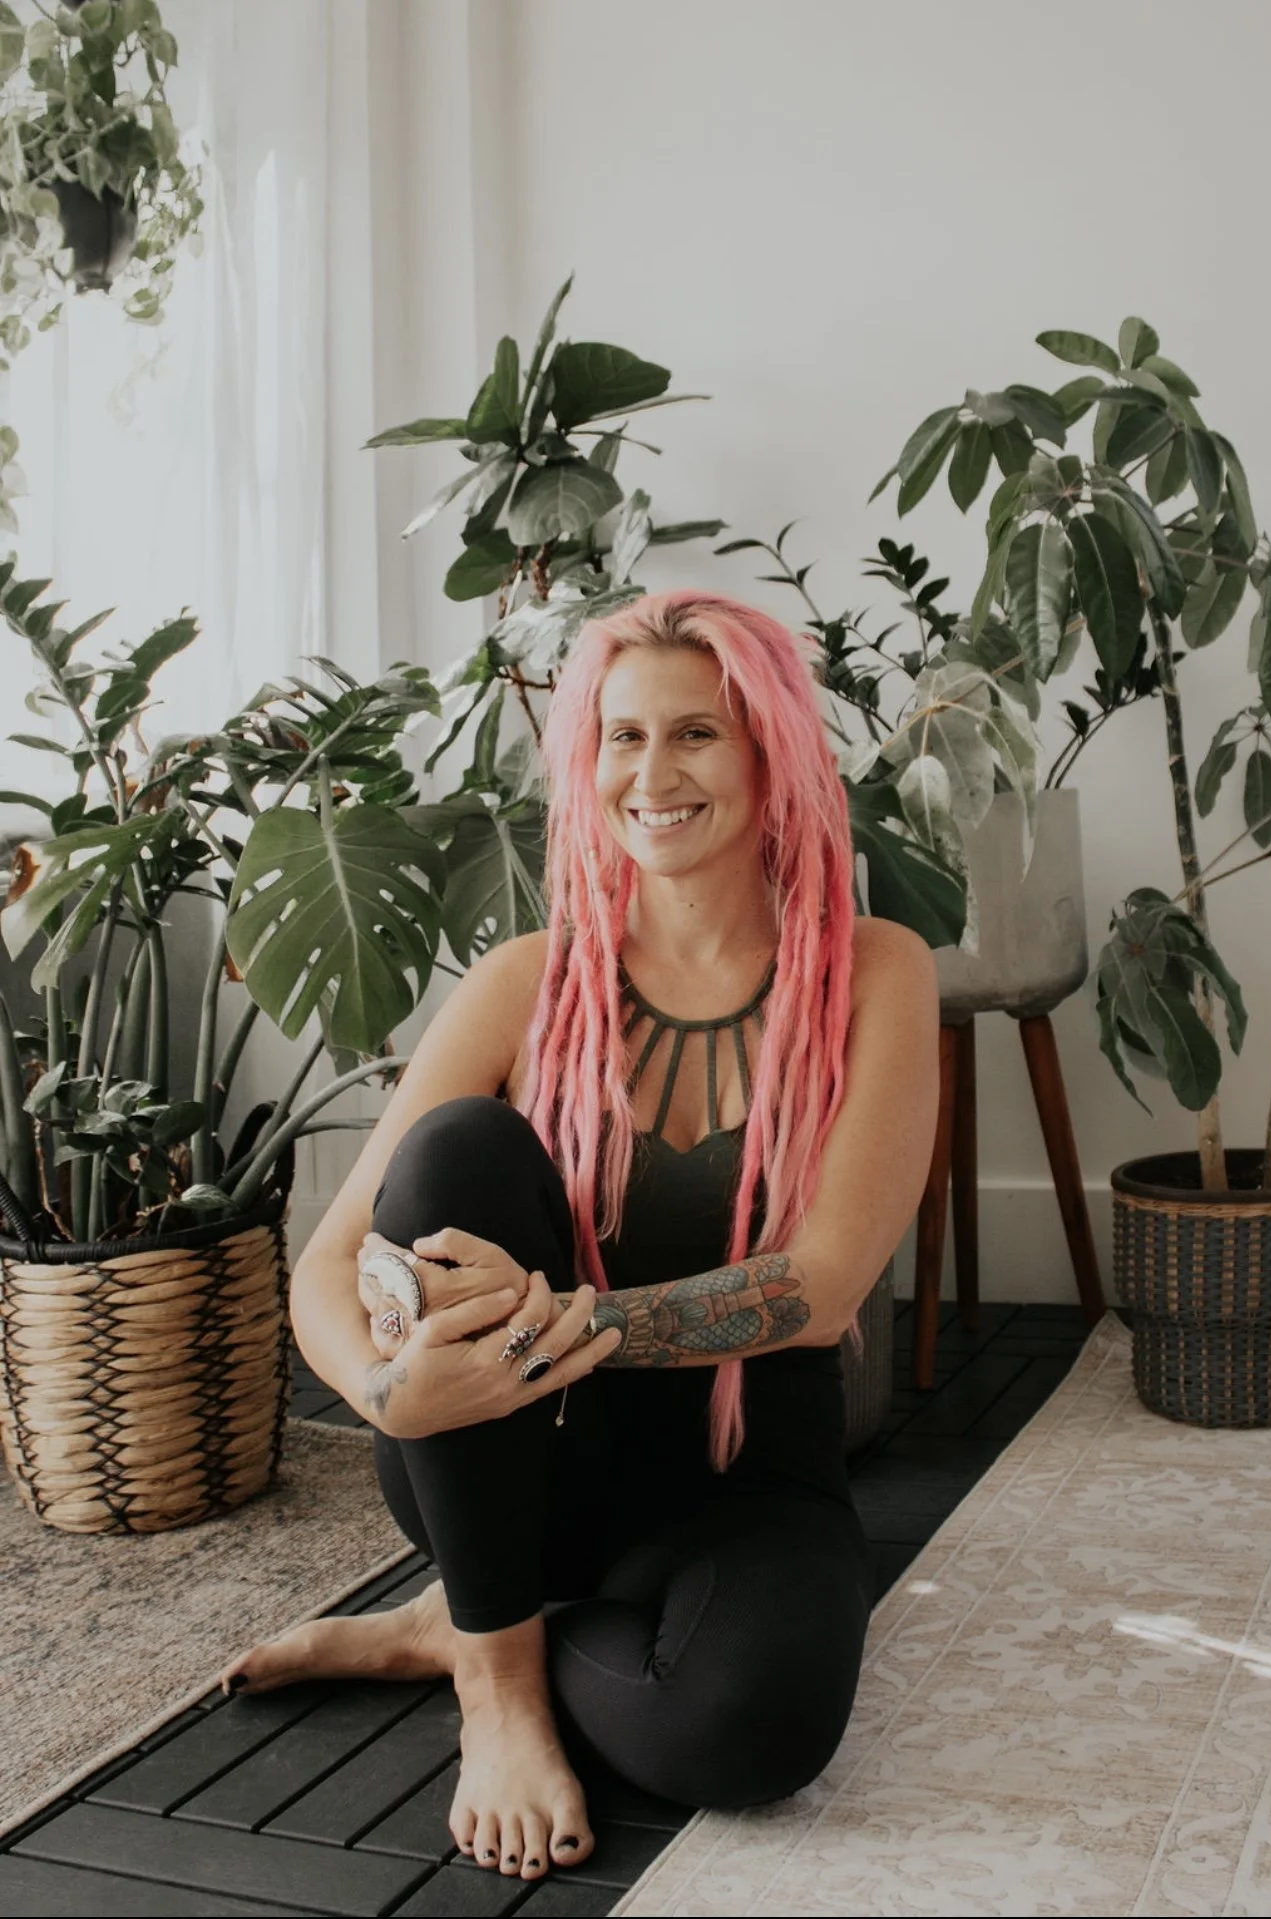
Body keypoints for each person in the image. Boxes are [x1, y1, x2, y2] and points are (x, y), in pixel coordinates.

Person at [221, 590, 939, 1884]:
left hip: (746, 1473)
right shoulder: (526, 982)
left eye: (696, 735)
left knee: (752, 1730)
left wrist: (574, 1323)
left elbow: (822, 1286)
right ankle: (495, 1689)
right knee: (458, 1156)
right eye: (619, 736)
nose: (650, 775)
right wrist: (391, 1386)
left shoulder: (876, 972)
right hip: (520, 1462)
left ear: (768, 749)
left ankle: (456, 1628)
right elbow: (327, 1269)